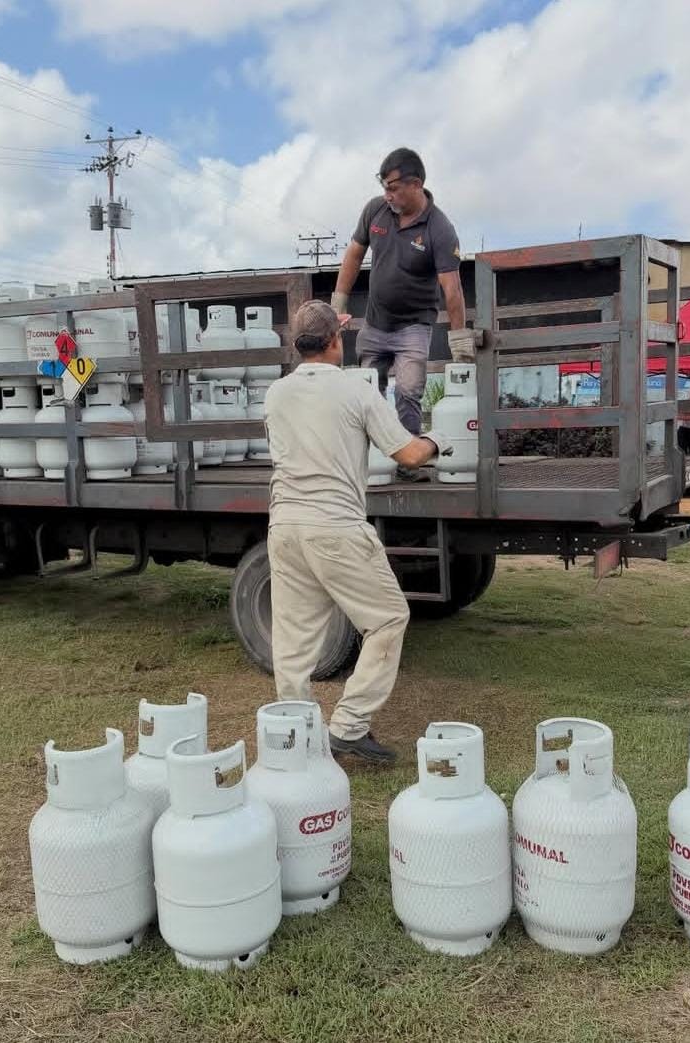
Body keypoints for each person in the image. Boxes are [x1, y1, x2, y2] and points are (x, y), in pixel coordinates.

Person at [263, 300, 451, 764]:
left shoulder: (276, 394)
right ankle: (348, 726)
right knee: (387, 618)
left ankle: (297, 736)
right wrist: (438, 439)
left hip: (284, 525)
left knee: (293, 639)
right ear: (335, 341)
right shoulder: (355, 392)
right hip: (335, 527)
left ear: (296, 343)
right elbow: (407, 455)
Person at [331, 147, 469, 482]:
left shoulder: (439, 228)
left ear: (416, 184)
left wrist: (459, 338)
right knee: (366, 392)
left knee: (408, 390)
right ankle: (368, 464)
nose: (387, 194)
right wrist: (338, 304)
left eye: (393, 187)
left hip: (414, 326)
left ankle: (410, 464)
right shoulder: (375, 211)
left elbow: (452, 288)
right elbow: (352, 255)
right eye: (384, 186)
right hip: (375, 322)